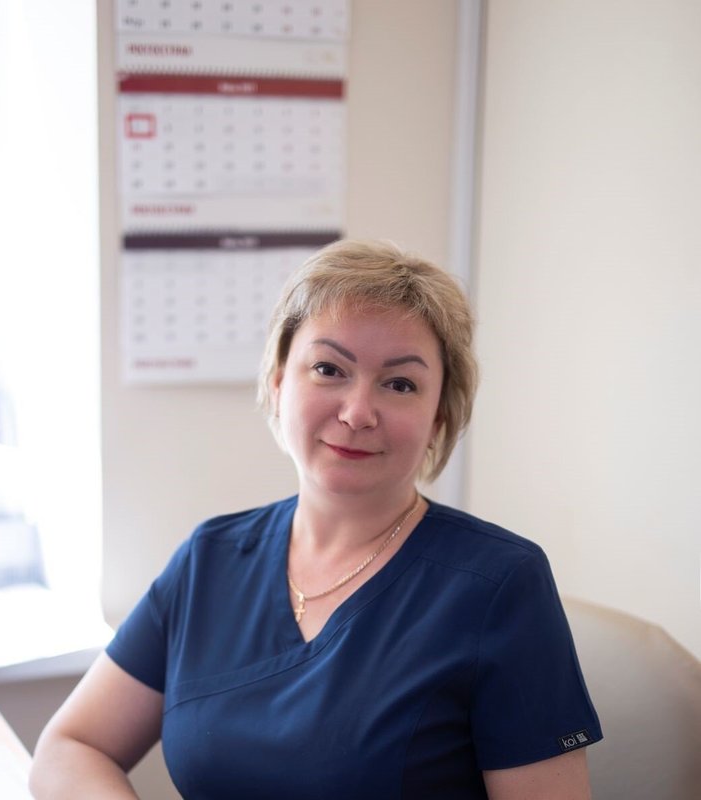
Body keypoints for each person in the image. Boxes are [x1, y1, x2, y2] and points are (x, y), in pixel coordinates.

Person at [29, 239, 602, 799]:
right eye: (329, 369)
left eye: (400, 384)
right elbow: (70, 746)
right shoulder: (211, 559)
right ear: (279, 383)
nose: (357, 412)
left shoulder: (499, 585)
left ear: (438, 416)